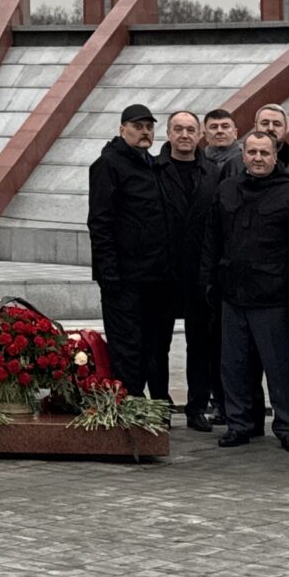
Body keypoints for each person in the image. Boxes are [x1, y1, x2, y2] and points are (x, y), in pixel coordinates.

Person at [201, 129, 289, 451]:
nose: (258, 158)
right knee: (234, 366)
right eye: (252, 152)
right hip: (233, 295)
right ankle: (240, 424)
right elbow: (212, 240)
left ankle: (288, 427)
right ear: (243, 155)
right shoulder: (227, 189)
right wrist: (208, 280)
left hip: (274, 298)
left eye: (265, 153)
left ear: (275, 156)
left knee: (281, 368)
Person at [87, 103, 183, 401]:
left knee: (156, 345)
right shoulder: (108, 165)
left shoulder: (154, 165)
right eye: (138, 126)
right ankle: (132, 406)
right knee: (128, 346)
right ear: (122, 129)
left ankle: (158, 404)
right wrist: (108, 271)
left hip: (158, 276)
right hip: (125, 278)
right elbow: (100, 222)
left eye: (149, 127)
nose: (145, 132)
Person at [155, 109, 220, 426]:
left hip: (200, 272)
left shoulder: (214, 172)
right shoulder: (153, 170)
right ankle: (159, 405)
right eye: (178, 129)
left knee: (201, 344)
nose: (184, 135)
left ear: (200, 135)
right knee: (158, 344)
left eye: (190, 130)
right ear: (168, 134)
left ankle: (197, 407)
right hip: (163, 273)